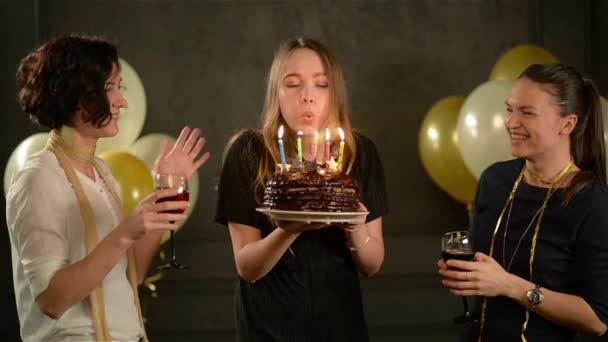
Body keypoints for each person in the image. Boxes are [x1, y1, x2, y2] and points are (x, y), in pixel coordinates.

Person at [6, 34, 210, 341]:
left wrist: (163, 194)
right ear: (74, 95)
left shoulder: (102, 173)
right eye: (108, 88)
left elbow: (134, 274)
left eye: (120, 87)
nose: (122, 101)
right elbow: (52, 300)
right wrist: (124, 232)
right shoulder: (37, 179)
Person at [215, 37, 388, 341]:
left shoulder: (359, 153)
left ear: (335, 92)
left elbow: (372, 264)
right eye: (293, 84)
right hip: (268, 325)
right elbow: (247, 267)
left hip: (339, 321)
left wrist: (356, 228)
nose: (307, 96)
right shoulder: (247, 153)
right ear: (275, 92)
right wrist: (290, 228)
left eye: (321, 84)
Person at [438, 64, 608, 341]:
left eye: (527, 112)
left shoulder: (591, 203)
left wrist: (509, 285)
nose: (510, 122)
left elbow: (597, 320)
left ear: (568, 124)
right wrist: (467, 274)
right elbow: (482, 262)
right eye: (510, 109)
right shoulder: (494, 180)